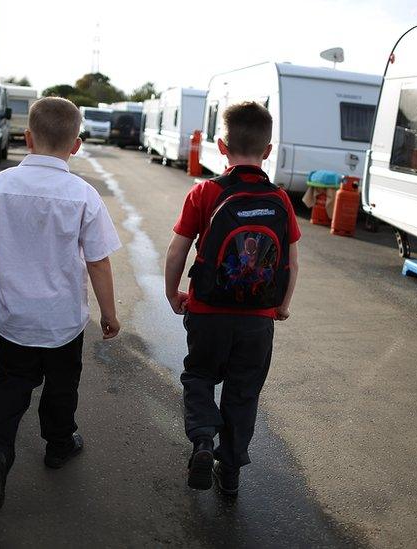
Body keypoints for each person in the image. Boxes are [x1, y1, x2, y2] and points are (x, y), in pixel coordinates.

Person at [0, 97, 122, 513]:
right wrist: (109, 314)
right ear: (77, 145)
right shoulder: (83, 195)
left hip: (15, 317)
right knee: (61, 386)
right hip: (63, 321)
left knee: (11, 386)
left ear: (27, 137)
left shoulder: (0, 185)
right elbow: (99, 260)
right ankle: (58, 445)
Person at [164, 101, 301, 497]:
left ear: (222, 146)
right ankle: (231, 470)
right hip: (257, 318)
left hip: (208, 312)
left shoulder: (205, 192)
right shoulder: (280, 199)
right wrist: (282, 305)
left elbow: (178, 250)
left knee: (200, 376)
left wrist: (173, 292)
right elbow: (291, 260)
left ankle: (204, 439)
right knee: (243, 392)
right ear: (268, 150)